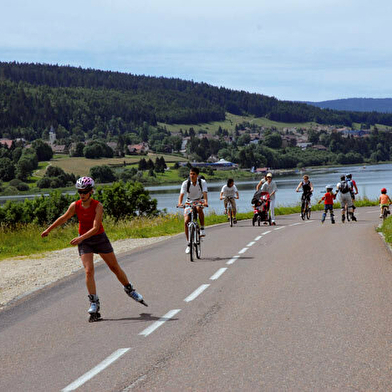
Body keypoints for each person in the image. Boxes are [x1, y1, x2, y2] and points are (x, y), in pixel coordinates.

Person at [41, 176, 147, 321]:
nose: (82, 194)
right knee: (88, 271)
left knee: (114, 267)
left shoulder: (98, 206)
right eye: (80, 191)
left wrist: (80, 238)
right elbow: (63, 218)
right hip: (85, 241)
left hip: (99, 238)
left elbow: (96, 227)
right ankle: (93, 302)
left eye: (85, 191)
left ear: (91, 191)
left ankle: (129, 289)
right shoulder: (75, 205)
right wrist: (48, 229)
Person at [178, 167, 208, 254]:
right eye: (190, 174)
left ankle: (202, 228)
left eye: (193, 174)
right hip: (189, 201)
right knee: (186, 221)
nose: (192, 175)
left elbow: (205, 193)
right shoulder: (185, 183)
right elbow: (181, 194)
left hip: (199, 200)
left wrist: (205, 202)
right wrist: (180, 203)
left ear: (197, 175)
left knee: (199, 209)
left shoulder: (202, 182)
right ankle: (188, 243)